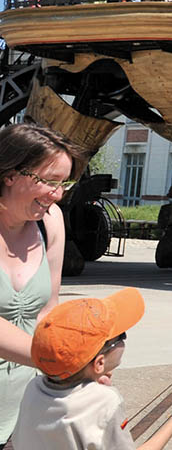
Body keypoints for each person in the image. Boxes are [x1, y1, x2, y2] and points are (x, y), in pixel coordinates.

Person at [12, 288, 172, 449]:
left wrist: (91, 382)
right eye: (120, 336)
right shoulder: (105, 402)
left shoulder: (34, 388)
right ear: (99, 363)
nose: (124, 338)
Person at [0, 123, 86, 446]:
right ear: (10, 174)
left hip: (28, 413)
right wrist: (58, 359)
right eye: (49, 182)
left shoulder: (51, 223)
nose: (58, 194)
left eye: (64, 183)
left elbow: (48, 310)